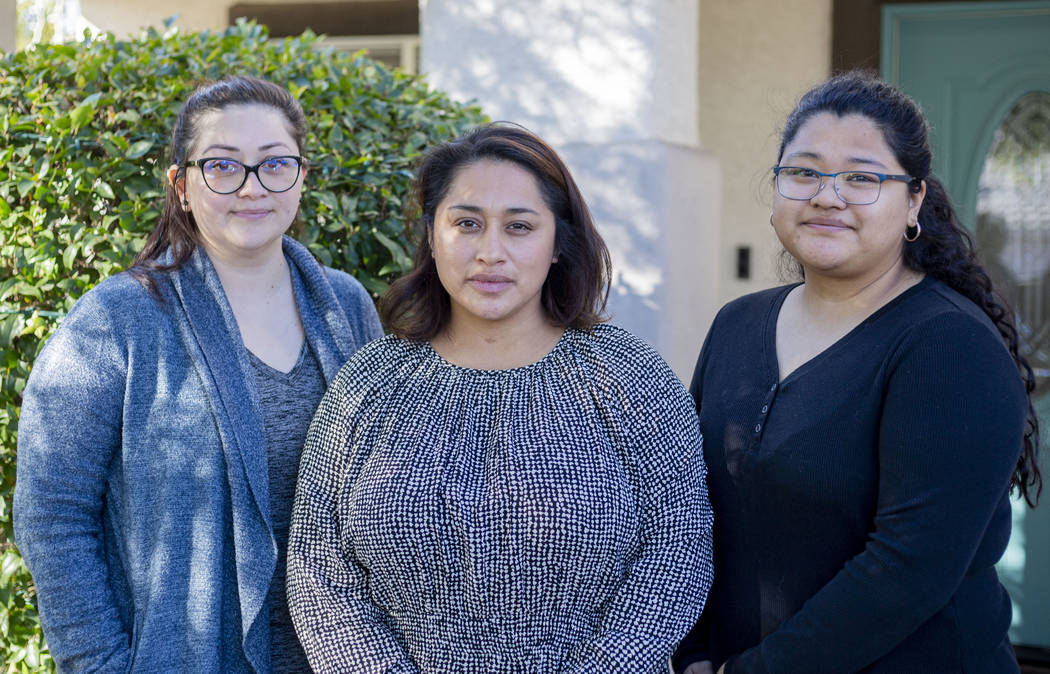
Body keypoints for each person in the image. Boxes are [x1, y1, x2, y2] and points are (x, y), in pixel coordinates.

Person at [287, 124, 714, 673]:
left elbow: (677, 547)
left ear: (558, 243)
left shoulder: (629, 376)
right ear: (431, 236)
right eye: (466, 223)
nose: (491, 252)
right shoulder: (370, 382)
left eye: (519, 227)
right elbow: (318, 564)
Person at [673, 71, 1043, 674]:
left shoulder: (947, 345)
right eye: (804, 172)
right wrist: (691, 652)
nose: (827, 196)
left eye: (862, 178)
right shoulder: (736, 326)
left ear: (914, 200)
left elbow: (908, 569)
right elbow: (688, 511)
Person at [14, 75, 383, 673]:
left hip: (341, 657)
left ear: (301, 178)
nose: (251, 187)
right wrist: (100, 664)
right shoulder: (117, 319)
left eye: (274, 164)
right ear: (182, 185)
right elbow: (51, 510)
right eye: (222, 166)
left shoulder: (345, 306)